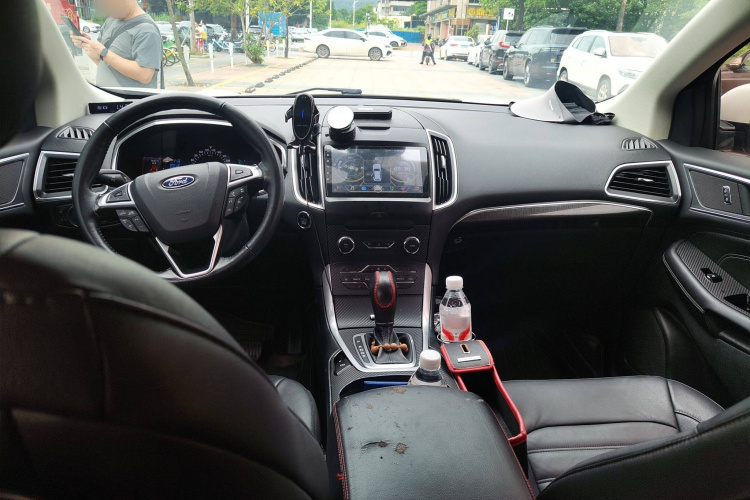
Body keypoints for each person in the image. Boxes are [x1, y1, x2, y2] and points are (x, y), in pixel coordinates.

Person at [70, 0, 161, 89]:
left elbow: (145, 75)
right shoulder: (111, 21)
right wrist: (87, 45)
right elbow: (102, 63)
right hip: (105, 94)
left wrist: (104, 53)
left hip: (127, 98)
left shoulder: (147, 30)